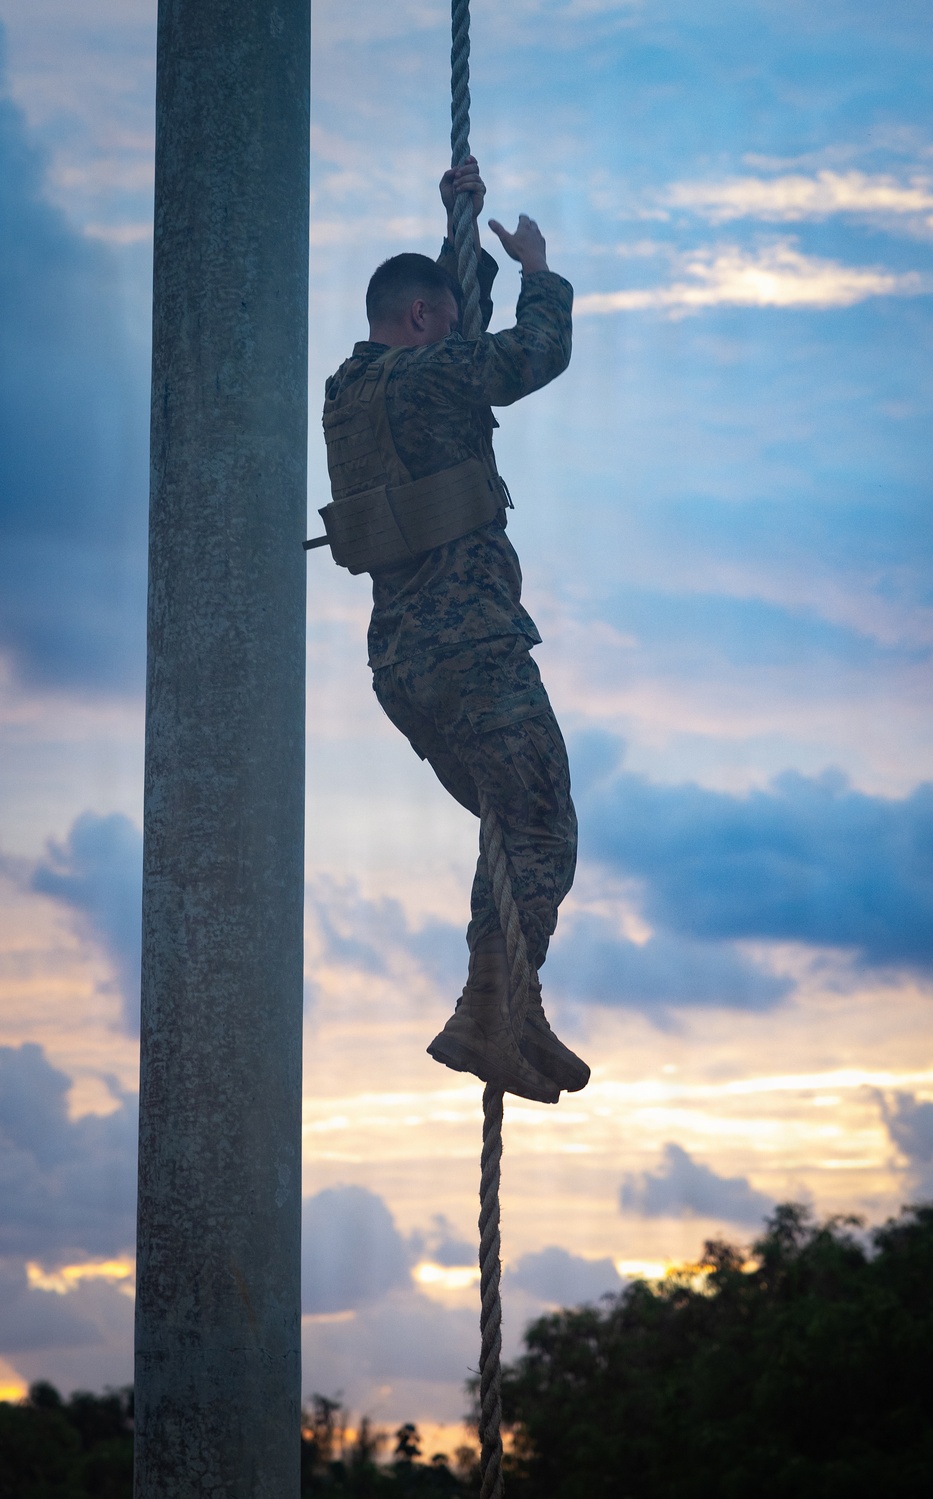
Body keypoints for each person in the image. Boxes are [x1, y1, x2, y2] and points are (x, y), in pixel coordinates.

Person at [317, 158, 588, 1104]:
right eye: (440, 312)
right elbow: (527, 357)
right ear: (424, 319)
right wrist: (538, 272)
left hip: (403, 671)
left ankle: (514, 1007)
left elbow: (445, 336)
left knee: (510, 830)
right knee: (544, 823)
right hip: (472, 650)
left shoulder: (350, 390)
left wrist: (459, 232)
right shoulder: (433, 377)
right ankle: (488, 1010)